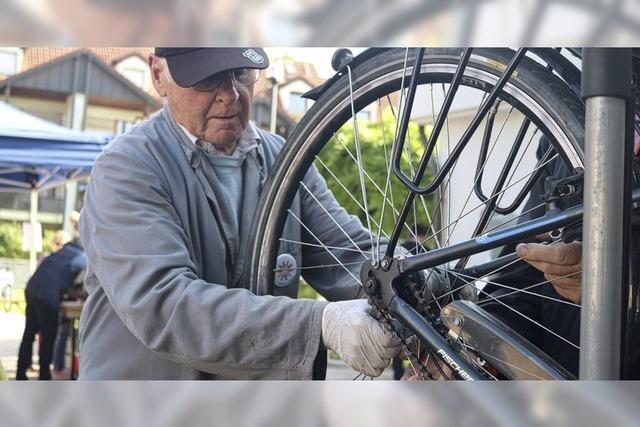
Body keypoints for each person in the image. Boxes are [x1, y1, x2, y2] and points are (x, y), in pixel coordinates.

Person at [78, 48, 417, 380]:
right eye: (207, 79)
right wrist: (320, 324)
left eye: (240, 74)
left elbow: (345, 254)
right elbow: (165, 306)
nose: (229, 94)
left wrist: (428, 291)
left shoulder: (284, 159)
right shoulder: (125, 168)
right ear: (158, 75)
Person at [15, 217, 87, 380]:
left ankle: (20, 374)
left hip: (32, 288)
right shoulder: (83, 258)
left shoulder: (63, 252)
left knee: (29, 333)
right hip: (47, 295)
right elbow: (82, 285)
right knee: (48, 336)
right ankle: (44, 376)